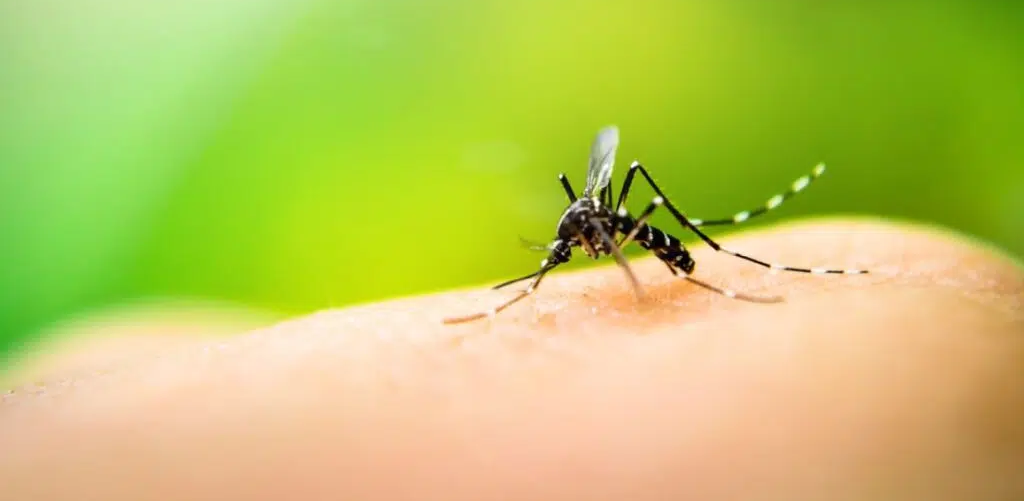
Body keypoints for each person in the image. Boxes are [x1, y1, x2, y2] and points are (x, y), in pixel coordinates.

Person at [2, 219, 1022, 500]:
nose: (566, 257)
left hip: (685, 251)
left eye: (564, 255)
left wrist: (664, 266)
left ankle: (721, 255)